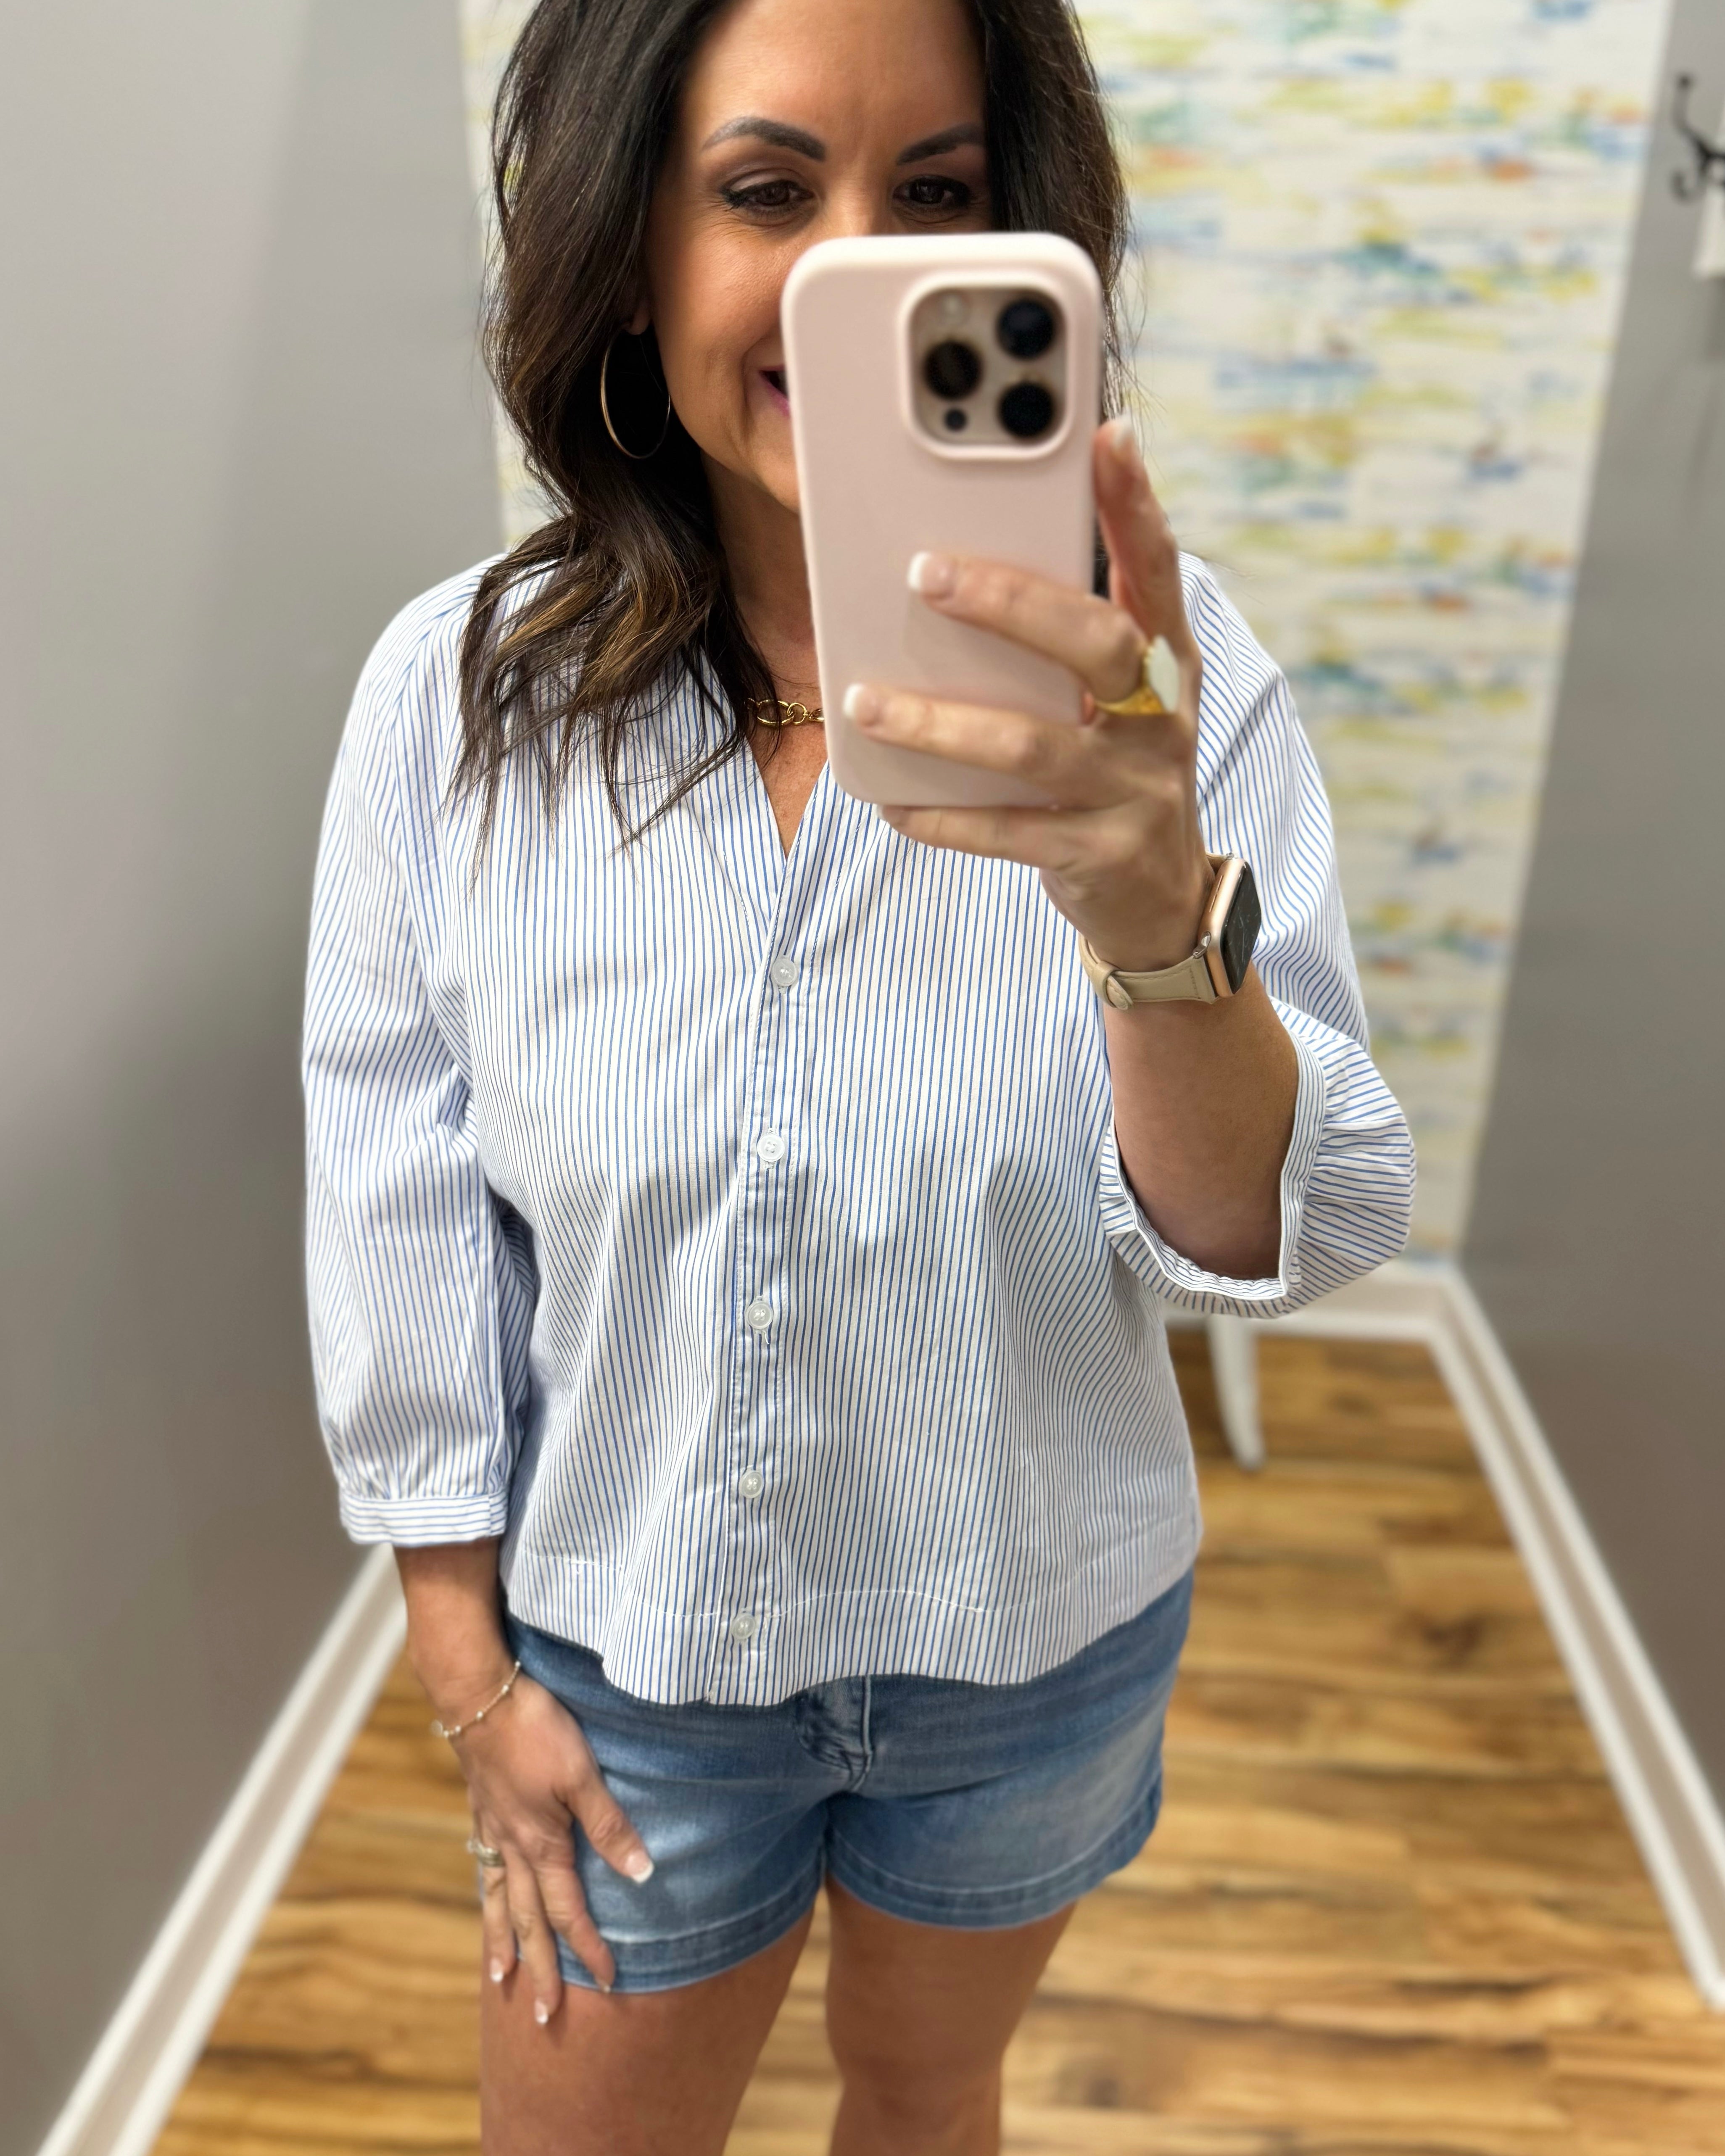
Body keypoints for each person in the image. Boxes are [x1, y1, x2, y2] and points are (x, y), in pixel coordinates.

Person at [301, 0, 1414, 2147]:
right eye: (765, 190)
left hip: (1034, 1642)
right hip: (630, 1664)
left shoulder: (1175, 701)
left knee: (926, 2098)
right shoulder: (457, 704)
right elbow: (394, 1189)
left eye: (936, 195)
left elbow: (1276, 1235)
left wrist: (1154, 926)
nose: (855, 268)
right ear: (632, 248)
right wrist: (469, 1678)